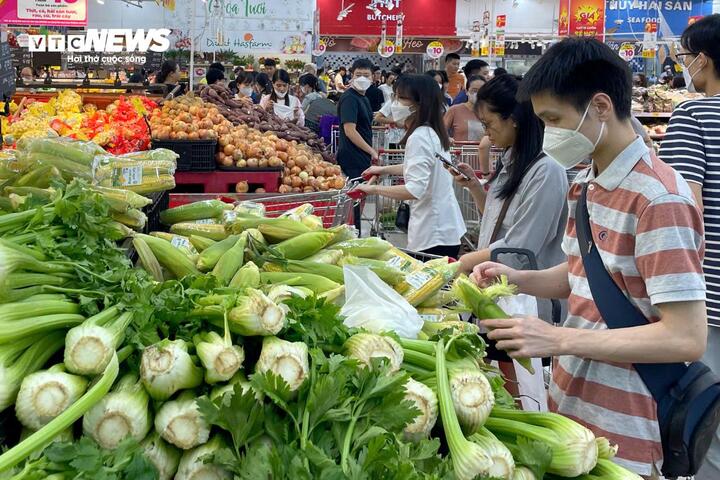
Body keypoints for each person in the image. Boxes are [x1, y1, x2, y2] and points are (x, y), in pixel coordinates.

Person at [473, 37, 706, 477]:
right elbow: (579, 276)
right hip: (574, 406)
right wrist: (517, 277)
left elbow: (685, 337)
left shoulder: (659, 199)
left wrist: (559, 339)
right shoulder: (587, 182)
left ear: (600, 106)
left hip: (629, 427)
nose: (546, 133)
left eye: (553, 119)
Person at [659, 14, 720, 480]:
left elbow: (686, 212)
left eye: (684, 56)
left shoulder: (693, 113)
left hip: (710, 297)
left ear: (702, 60)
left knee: (706, 426)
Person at [354, 74, 466, 257]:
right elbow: (419, 168)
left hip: (433, 232)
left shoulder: (419, 137)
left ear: (418, 104)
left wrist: (373, 189)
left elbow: (415, 189)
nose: (395, 103)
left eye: (401, 98)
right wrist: (383, 170)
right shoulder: (431, 132)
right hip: (445, 227)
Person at [337, 58, 376, 231]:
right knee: (355, 199)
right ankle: (352, 232)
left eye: (366, 75)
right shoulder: (349, 99)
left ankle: (356, 231)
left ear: (373, 77)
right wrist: (372, 151)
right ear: (351, 76)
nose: (362, 78)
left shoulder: (364, 98)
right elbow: (350, 130)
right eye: (358, 74)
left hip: (362, 156)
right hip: (352, 157)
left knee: (361, 198)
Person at [444, 75, 487, 141]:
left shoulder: (489, 112)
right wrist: (447, 139)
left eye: (482, 91)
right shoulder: (454, 110)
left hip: (483, 150)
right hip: (459, 150)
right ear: (467, 91)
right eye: (474, 91)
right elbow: (441, 131)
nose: (478, 94)